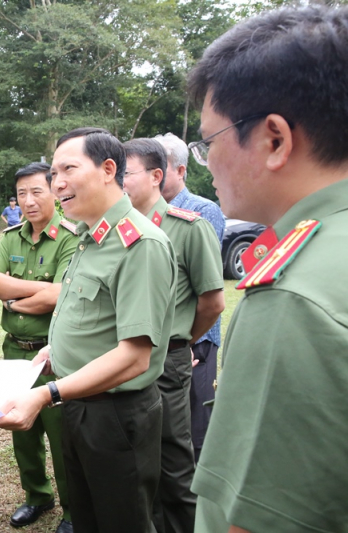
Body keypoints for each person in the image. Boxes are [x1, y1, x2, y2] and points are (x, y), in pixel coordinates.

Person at [186, 6, 348, 532]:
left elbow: (255, 519)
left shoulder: (293, 299)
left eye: (209, 141)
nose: (206, 162)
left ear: (274, 139)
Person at [0, 127, 177, 533]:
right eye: (54, 173)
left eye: (68, 169)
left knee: (122, 521)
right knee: (88, 518)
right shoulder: (90, 238)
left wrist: (47, 392)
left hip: (116, 417)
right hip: (78, 405)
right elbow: (91, 320)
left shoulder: (139, 244)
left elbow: (134, 356)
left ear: (108, 169)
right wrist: (53, 351)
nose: (58, 184)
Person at [122, 138, 225, 533]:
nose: (119, 182)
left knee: (175, 462)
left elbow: (212, 302)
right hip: (125, 361)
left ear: (156, 175)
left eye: (126, 173)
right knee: (136, 460)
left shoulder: (188, 226)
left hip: (169, 362)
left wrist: (180, 341)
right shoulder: (119, 230)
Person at [0, 162, 76, 533]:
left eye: (37, 191)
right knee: (23, 432)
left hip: (54, 354)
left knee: (62, 438)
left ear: (54, 190)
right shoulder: (10, 237)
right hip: (14, 349)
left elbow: (62, 295)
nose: (28, 200)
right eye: (22, 193)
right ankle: (37, 496)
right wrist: (40, 293)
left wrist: (14, 297)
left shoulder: (70, 237)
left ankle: (73, 510)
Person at [155, 132, 225, 461]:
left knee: (195, 424)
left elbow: (206, 291)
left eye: (161, 166)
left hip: (196, 337)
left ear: (181, 171)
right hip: (161, 342)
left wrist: (189, 342)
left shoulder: (202, 212)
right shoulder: (144, 214)